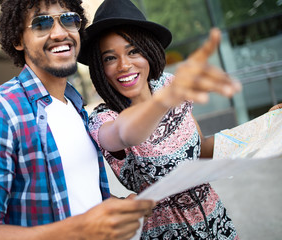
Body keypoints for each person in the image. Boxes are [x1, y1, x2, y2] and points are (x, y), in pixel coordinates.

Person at [0, 0, 155, 240]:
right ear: (18, 40)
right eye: (42, 23)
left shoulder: (76, 107)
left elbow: (75, 198)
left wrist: (119, 208)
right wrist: (80, 230)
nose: (60, 33)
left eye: (68, 19)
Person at [78, 0, 241, 239]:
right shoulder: (103, 119)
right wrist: (164, 101)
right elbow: (125, 133)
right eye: (110, 58)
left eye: (133, 51)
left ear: (149, 50)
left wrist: (266, 127)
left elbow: (201, 150)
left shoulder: (168, 84)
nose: (124, 65)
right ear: (99, 68)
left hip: (217, 222)